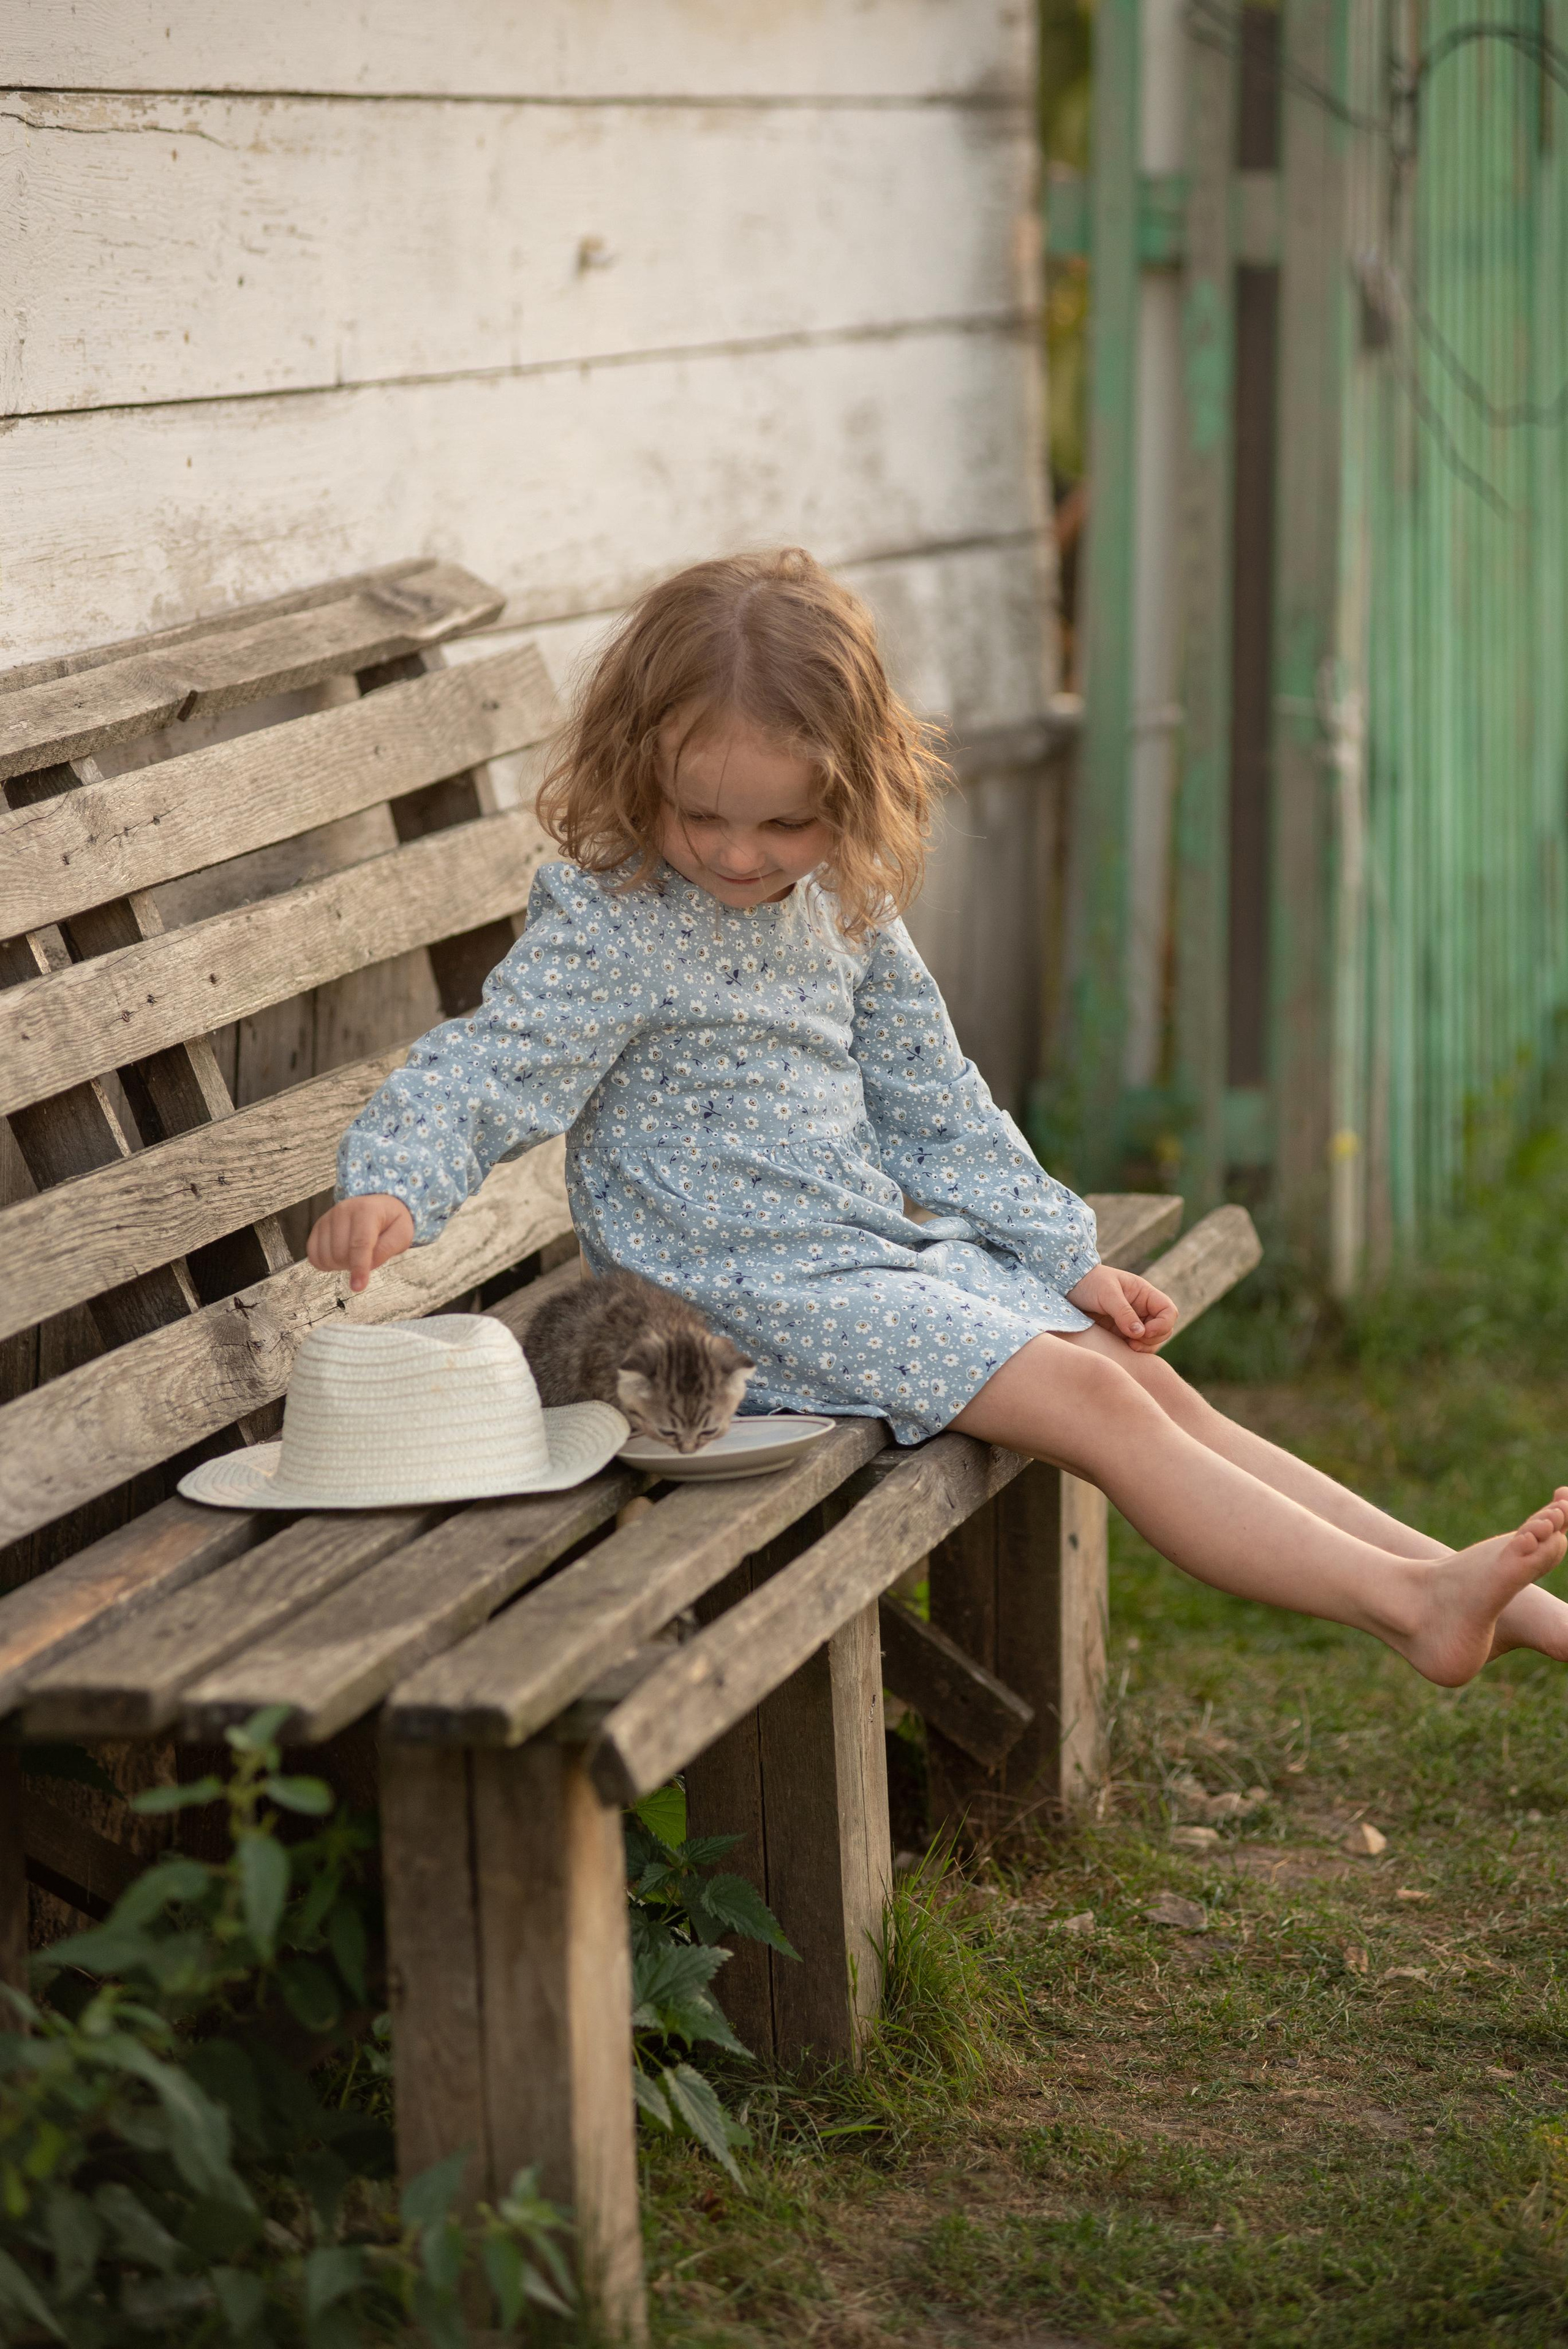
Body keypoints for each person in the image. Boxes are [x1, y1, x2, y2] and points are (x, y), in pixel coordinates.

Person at [309, 548, 1567, 1685]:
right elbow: (490, 1064)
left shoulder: (842, 905)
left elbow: (934, 1101)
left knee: (1141, 1382)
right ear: (638, 771)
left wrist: (1060, 1249)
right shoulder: (613, 921)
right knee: (1100, 1414)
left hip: (865, 1260)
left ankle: (1462, 1590)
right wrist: (396, 1179)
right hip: (735, 1301)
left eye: (786, 820)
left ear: (849, 793)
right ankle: (1408, 1606)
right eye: (703, 815)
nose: (742, 857)